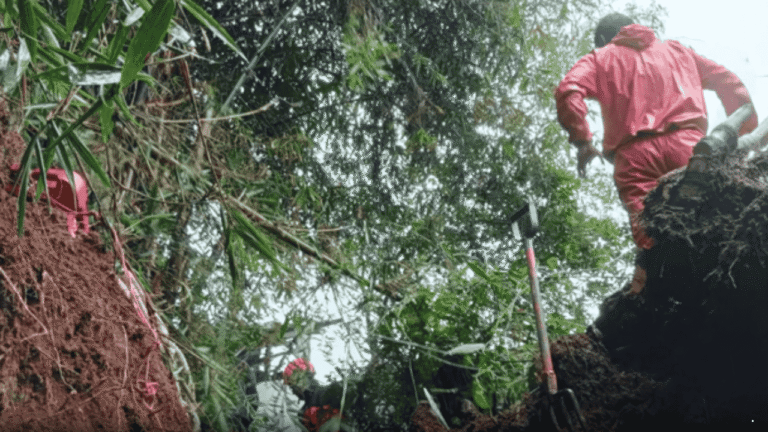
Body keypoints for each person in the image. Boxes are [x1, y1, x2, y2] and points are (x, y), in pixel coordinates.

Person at [555, 13, 758, 293]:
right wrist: (744, 137)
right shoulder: (678, 51)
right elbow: (729, 82)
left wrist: (583, 142)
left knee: (650, 235)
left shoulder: (600, 58)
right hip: (689, 148)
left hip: (634, 161)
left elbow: (568, 90)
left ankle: (654, 292)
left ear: (603, 39)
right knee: (713, 215)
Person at [283, 358, 356, 432]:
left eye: (292, 387)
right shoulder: (302, 413)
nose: (293, 392)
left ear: (303, 378)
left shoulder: (333, 390)